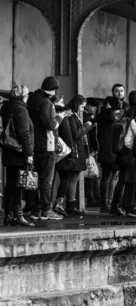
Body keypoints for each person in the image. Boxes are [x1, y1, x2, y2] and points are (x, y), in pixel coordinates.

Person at [27, 76, 69, 220]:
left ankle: (35, 210)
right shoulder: (46, 102)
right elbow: (50, 125)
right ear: (54, 90)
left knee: (34, 179)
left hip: (33, 145)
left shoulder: (31, 100)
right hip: (47, 147)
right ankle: (46, 210)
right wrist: (60, 117)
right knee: (46, 181)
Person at [54, 95, 94, 216]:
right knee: (69, 179)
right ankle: (63, 204)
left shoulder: (69, 115)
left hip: (69, 151)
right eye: (82, 106)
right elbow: (75, 134)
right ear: (77, 104)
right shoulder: (70, 116)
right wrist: (87, 126)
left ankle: (64, 203)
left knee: (69, 178)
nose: (82, 109)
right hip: (71, 152)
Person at [1, 85, 35, 227]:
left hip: (8, 149)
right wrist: (29, 154)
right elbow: (24, 134)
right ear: (23, 96)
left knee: (10, 183)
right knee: (18, 185)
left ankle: (9, 215)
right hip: (18, 151)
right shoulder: (21, 110)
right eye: (27, 96)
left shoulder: (6, 107)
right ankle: (18, 216)